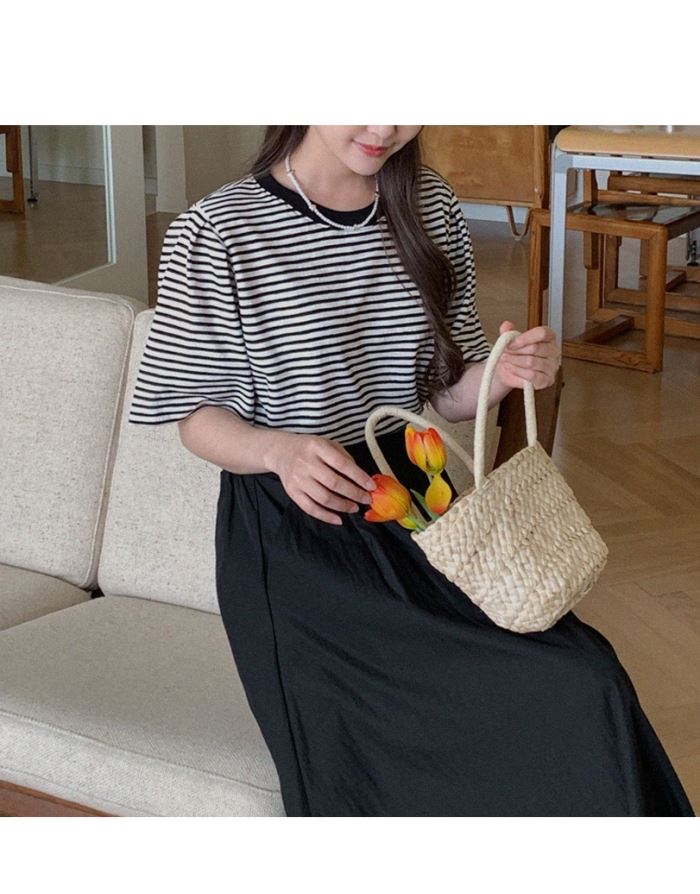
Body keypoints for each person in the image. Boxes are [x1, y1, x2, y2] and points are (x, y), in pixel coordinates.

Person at [127, 125, 694, 817]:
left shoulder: (430, 205)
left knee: (586, 677)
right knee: (467, 718)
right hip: (298, 533)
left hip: (422, 508)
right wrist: (278, 451)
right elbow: (194, 414)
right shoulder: (218, 231)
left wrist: (504, 373)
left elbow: (446, 389)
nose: (383, 126)